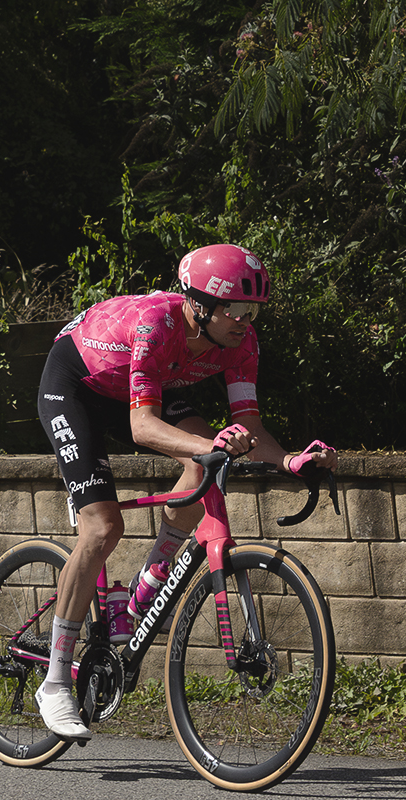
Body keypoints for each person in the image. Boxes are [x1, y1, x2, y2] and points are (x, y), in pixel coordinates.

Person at [33, 243, 338, 741]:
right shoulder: (159, 323)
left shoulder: (242, 343)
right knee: (104, 525)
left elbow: (249, 427)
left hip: (144, 385)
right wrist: (209, 444)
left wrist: (288, 460)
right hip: (78, 385)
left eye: (253, 309)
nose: (246, 319)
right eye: (236, 308)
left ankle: (142, 588)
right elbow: (141, 426)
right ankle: (55, 681)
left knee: (202, 467)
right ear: (198, 304)